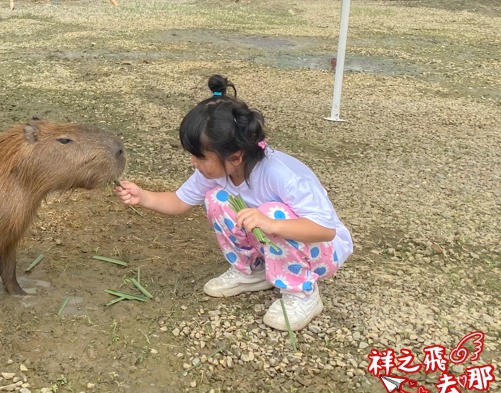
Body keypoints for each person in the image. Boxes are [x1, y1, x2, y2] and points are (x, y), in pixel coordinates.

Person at [114, 74, 352, 332]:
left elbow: (325, 230)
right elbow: (179, 202)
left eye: (200, 157)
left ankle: (302, 292)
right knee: (217, 199)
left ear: (235, 156)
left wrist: (271, 223)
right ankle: (252, 270)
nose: (194, 163)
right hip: (273, 243)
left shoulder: (282, 175)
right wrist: (143, 196)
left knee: (274, 214)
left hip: (323, 251)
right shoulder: (217, 171)